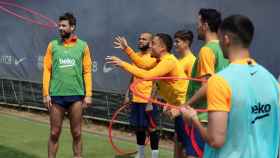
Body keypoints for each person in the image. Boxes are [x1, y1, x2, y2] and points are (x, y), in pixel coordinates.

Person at [182, 14, 280, 158]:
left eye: (220, 38)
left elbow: (215, 140)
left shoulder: (220, 81)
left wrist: (193, 119)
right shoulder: (272, 81)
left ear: (226, 39)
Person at [107, 33, 188, 158]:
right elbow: (143, 65)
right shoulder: (160, 60)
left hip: (184, 107)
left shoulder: (169, 61)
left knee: (185, 146)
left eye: (153, 44)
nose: (150, 46)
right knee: (181, 143)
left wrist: (122, 64)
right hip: (177, 106)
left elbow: (147, 76)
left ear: (162, 48)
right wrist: (126, 49)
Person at [42, 12, 93, 158]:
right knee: (54, 133)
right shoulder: (52, 46)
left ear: (72, 27)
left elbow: (87, 71)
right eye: (59, 25)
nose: (60, 28)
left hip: (76, 97)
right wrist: (46, 94)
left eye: (64, 25)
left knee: (77, 133)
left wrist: (88, 95)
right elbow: (46, 70)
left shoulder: (83, 46)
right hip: (56, 96)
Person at [114, 33, 160, 158]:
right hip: (136, 99)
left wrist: (150, 101)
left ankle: (154, 156)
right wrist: (127, 93)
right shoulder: (136, 57)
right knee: (139, 128)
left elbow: (157, 82)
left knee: (152, 129)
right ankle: (141, 154)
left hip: (148, 100)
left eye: (144, 39)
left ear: (151, 43)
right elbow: (133, 75)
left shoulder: (155, 58)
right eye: (139, 38)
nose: (140, 41)